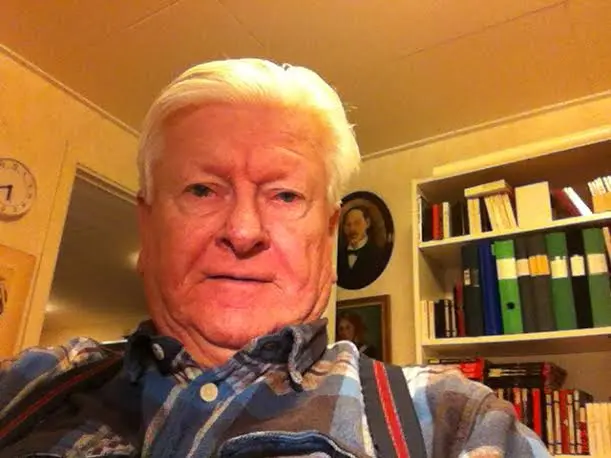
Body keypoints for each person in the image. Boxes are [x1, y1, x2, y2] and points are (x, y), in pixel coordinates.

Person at [0, 58, 550, 457]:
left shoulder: (454, 423)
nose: (243, 231)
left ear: (328, 236)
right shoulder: (28, 386)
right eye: (202, 190)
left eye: (285, 196)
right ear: (147, 226)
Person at [337, 205, 384, 289]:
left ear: (367, 223)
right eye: (348, 225)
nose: (352, 229)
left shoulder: (379, 255)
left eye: (357, 223)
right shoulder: (336, 256)